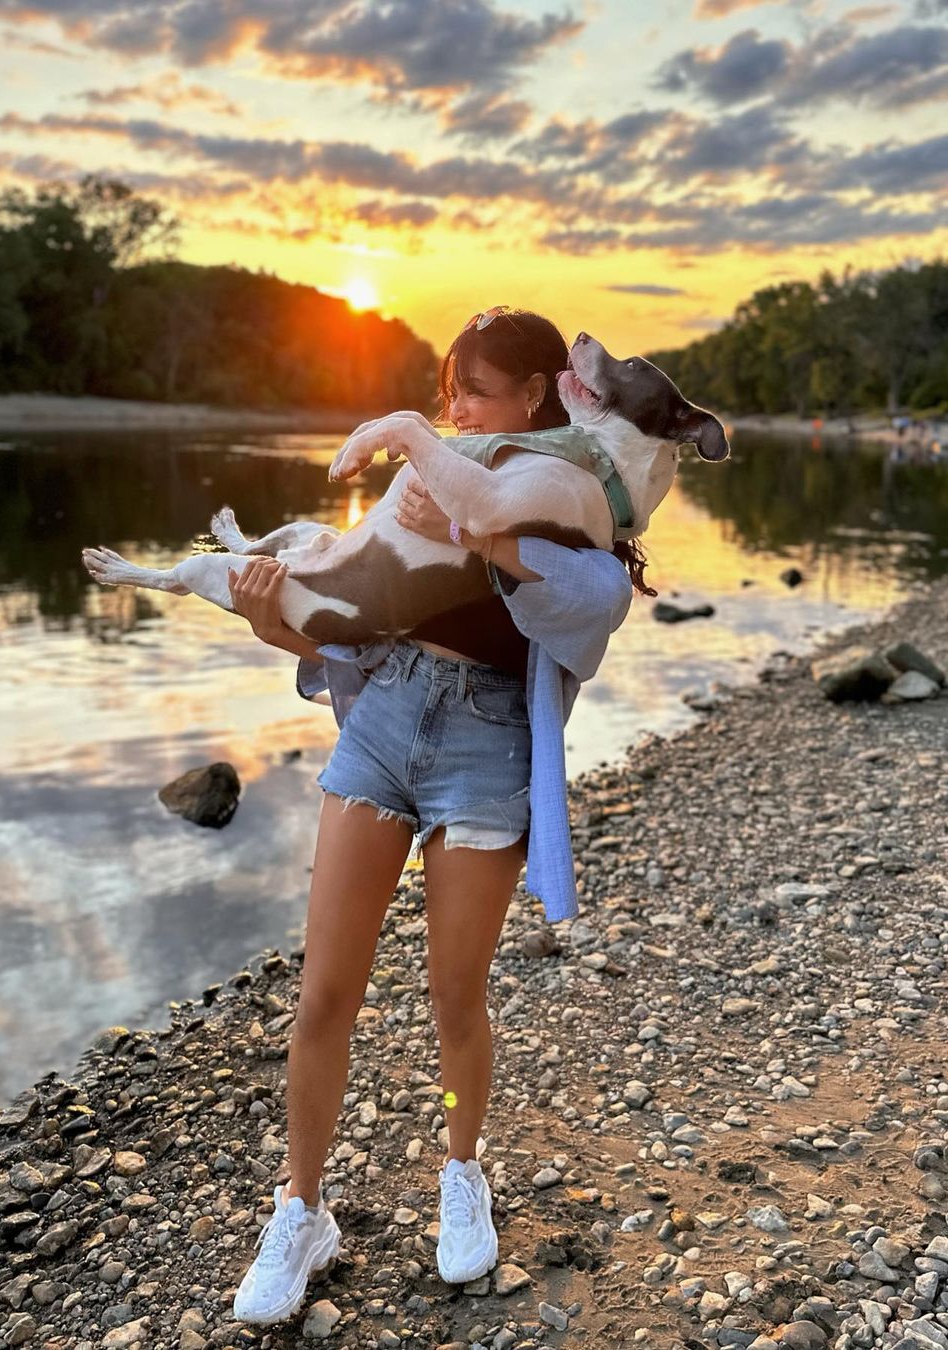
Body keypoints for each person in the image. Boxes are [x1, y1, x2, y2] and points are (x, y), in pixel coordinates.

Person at [226, 308, 641, 1326]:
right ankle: (301, 1208)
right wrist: (265, 613)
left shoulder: (587, 524)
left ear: (538, 400)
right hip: (385, 725)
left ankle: (462, 1170)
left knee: (455, 996)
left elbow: (580, 608)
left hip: (487, 753)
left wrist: (491, 527)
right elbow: (338, 639)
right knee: (325, 993)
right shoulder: (426, 494)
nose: (458, 411)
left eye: (478, 392)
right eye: (448, 390)